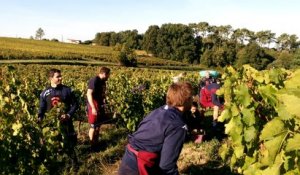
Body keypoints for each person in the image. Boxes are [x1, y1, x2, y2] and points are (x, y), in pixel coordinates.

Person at [118, 82, 193, 175]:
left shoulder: (159, 111)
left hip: (128, 158)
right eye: (192, 97)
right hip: (140, 166)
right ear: (187, 100)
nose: (193, 100)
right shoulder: (178, 125)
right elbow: (167, 166)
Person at [38, 68, 78, 168]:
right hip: (52, 123)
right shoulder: (44, 93)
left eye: (60, 76)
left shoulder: (67, 90)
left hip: (66, 122)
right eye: (58, 77)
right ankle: (58, 165)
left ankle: (75, 165)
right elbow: (42, 108)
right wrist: (39, 118)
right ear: (51, 78)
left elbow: (75, 104)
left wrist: (68, 115)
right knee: (54, 144)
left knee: (69, 143)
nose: (60, 78)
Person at [86, 66, 111, 152]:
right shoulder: (94, 80)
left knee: (98, 125)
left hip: (99, 105)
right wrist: (93, 107)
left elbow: (102, 94)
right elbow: (89, 94)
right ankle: (92, 145)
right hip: (93, 104)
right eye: (108, 75)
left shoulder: (103, 82)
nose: (109, 76)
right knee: (93, 125)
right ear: (104, 73)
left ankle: (96, 142)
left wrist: (104, 102)